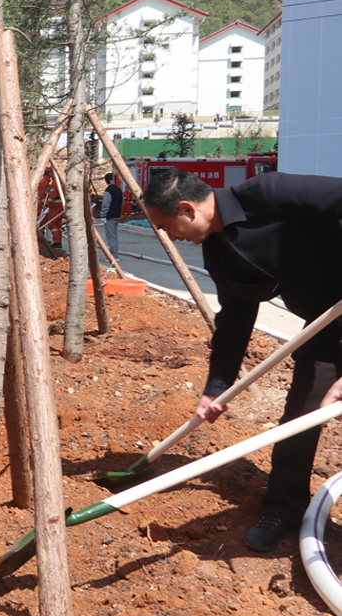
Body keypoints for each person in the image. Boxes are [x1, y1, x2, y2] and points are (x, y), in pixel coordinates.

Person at [141, 169, 342, 552]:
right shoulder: (220, 253)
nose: (168, 237)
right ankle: (284, 510)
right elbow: (233, 323)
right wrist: (217, 388)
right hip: (326, 329)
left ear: (187, 209)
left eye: (165, 226)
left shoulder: (272, 193)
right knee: (299, 418)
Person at [100, 172, 124, 267]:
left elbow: (105, 204)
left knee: (111, 236)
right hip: (117, 215)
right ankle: (115, 254)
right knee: (114, 235)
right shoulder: (119, 190)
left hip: (110, 216)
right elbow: (121, 203)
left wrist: (103, 215)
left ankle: (113, 256)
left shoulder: (108, 191)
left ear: (106, 181)